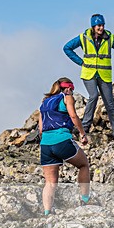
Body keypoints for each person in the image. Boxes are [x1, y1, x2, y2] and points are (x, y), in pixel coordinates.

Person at [38, 77, 91, 214]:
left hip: (45, 144)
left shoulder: (44, 103)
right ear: (67, 88)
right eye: (72, 90)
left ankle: (47, 212)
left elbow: (41, 128)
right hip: (62, 140)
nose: (72, 92)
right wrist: (83, 134)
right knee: (83, 164)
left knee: (50, 182)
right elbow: (73, 116)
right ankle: (85, 199)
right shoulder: (66, 97)